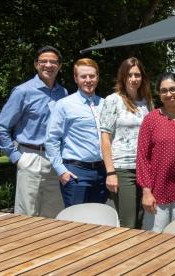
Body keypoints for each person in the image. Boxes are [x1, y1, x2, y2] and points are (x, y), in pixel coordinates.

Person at [0, 45, 68, 218]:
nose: (48, 65)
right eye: (43, 61)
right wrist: (16, 157)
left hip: (55, 160)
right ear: (36, 64)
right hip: (30, 157)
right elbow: (1, 126)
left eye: (53, 62)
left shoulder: (62, 93)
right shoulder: (23, 92)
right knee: (26, 214)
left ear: (60, 66)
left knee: (55, 215)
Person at [136, 72, 175, 232]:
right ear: (159, 93)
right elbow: (142, 157)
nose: (169, 94)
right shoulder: (151, 119)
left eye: (173, 89)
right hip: (157, 192)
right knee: (154, 240)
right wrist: (146, 191)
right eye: (164, 90)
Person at [45, 58, 108, 208]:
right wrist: (61, 171)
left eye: (92, 76)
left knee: (99, 219)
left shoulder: (105, 104)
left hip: (101, 172)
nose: (88, 80)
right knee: (76, 223)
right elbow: (51, 140)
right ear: (76, 78)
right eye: (83, 76)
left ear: (97, 77)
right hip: (76, 173)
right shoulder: (64, 105)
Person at [99, 57, 152, 228]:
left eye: (137, 75)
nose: (134, 79)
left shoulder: (146, 102)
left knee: (141, 219)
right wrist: (110, 172)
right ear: (123, 77)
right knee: (128, 221)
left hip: (144, 168)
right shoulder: (113, 100)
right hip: (122, 168)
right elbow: (105, 138)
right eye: (129, 75)